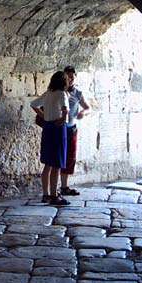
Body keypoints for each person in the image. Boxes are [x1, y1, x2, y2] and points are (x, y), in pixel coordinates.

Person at [31, 71, 70, 205]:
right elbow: (65, 109)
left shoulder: (48, 94)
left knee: (48, 163)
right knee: (57, 163)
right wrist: (63, 119)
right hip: (58, 129)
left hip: (47, 128)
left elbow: (33, 104)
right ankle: (54, 195)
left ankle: (46, 194)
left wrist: (44, 115)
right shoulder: (62, 94)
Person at [60, 66, 90, 196]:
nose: (70, 79)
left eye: (72, 77)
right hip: (60, 128)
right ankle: (54, 187)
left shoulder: (78, 93)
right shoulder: (59, 91)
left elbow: (88, 108)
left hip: (71, 128)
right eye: (68, 76)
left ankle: (65, 186)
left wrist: (83, 112)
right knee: (58, 157)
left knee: (70, 157)